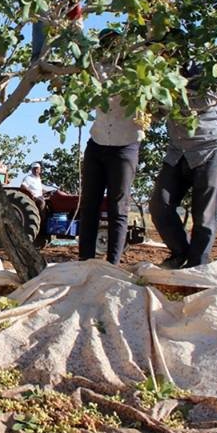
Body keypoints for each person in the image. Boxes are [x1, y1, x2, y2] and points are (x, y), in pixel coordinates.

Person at [149, 66, 217, 268]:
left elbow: (210, 100)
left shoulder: (205, 72)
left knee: (204, 215)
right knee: (160, 206)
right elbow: (157, 113)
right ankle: (180, 253)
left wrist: (181, 84)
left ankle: (197, 267)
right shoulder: (162, 76)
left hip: (208, 148)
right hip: (177, 151)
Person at [77, 30, 145, 265]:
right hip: (96, 144)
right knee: (89, 204)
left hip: (124, 146)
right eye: (105, 46)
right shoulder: (96, 69)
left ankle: (113, 263)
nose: (107, 51)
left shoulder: (135, 72)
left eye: (112, 46)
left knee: (119, 206)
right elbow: (79, 38)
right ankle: (84, 261)